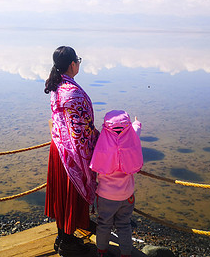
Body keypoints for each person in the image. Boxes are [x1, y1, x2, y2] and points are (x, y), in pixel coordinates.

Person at [44, 46, 99, 257]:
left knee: (62, 196)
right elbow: (82, 129)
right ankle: (67, 243)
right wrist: (99, 139)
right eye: (78, 61)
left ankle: (62, 237)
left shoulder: (58, 86)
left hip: (58, 149)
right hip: (71, 155)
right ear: (72, 65)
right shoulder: (73, 92)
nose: (79, 64)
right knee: (70, 195)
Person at [90, 110, 144, 257]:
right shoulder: (132, 139)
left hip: (106, 196)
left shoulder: (101, 141)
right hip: (127, 195)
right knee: (124, 225)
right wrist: (136, 122)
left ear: (106, 126)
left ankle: (102, 251)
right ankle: (126, 254)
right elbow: (136, 130)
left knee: (104, 224)